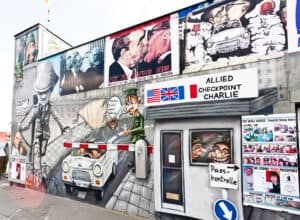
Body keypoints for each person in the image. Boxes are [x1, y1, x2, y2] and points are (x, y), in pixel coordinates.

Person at [122, 88, 147, 169]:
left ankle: (138, 166)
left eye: (132, 103)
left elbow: (141, 128)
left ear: (138, 102)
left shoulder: (139, 116)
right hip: (135, 139)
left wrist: (130, 131)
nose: (129, 107)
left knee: (138, 153)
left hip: (139, 139)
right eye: (127, 104)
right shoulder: (134, 117)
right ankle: (135, 165)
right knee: (134, 153)